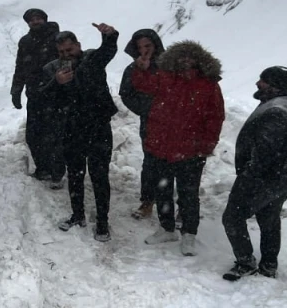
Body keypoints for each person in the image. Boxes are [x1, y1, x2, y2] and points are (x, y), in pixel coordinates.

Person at [130, 41, 225, 257]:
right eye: (181, 57)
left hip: (192, 150)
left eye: (190, 58)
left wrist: (207, 144)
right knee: (162, 190)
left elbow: (215, 117)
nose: (185, 61)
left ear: (199, 60)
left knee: (188, 194)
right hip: (161, 146)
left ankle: (189, 235)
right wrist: (141, 69)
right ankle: (167, 229)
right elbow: (143, 86)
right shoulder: (164, 76)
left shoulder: (208, 84)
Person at [222, 66, 287, 281]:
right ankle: (268, 265)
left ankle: (245, 261)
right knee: (269, 217)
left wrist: (248, 179)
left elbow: (265, 155)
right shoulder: (283, 104)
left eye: (263, 81)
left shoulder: (277, 112)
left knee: (232, 217)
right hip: (281, 175)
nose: (258, 83)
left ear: (276, 86)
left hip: (265, 177)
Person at [41, 24, 120, 242]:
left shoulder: (92, 60)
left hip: (98, 127)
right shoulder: (53, 70)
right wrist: (57, 83)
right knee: (75, 175)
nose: (67, 55)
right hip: (71, 129)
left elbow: (108, 51)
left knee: (99, 175)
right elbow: (43, 97)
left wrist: (109, 35)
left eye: (70, 50)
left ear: (78, 46)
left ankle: (103, 221)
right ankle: (78, 215)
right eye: (62, 52)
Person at [11, 8, 64, 186]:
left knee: (55, 134)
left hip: (56, 94)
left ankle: (57, 173)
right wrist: (16, 90)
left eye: (38, 18)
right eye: (31, 19)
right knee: (34, 135)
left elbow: (69, 60)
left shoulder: (57, 38)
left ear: (44, 19)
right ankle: (43, 168)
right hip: (35, 94)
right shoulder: (25, 42)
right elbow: (20, 67)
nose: (35, 22)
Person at [118, 29, 165, 220]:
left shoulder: (170, 65)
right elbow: (126, 93)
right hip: (150, 122)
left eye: (148, 46)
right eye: (139, 47)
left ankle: (179, 207)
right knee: (150, 161)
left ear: (156, 45)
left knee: (177, 164)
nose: (144, 51)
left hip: (175, 122)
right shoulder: (133, 69)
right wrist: (147, 109)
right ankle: (147, 201)